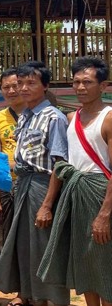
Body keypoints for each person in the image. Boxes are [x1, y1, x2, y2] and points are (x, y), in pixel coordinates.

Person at [0, 61, 70, 306]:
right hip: (22, 185)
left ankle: (51, 299)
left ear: (45, 86)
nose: (23, 88)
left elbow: (58, 164)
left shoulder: (53, 118)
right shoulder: (25, 116)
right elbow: (26, 159)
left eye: (30, 83)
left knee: (44, 247)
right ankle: (31, 297)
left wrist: (47, 204)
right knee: (24, 246)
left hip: (42, 188)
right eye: (20, 83)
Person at [38, 57, 112, 306]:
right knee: (83, 260)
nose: (80, 87)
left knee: (105, 263)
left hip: (101, 196)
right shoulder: (70, 119)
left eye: (88, 82)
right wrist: (47, 204)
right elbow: (62, 167)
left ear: (103, 86)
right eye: (76, 82)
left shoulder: (109, 118)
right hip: (76, 196)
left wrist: (104, 214)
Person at [0, 67, 26, 247]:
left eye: (15, 86)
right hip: (7, 185)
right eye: (6, 87)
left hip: (32, 182)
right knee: (7, 235)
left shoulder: (37, 114)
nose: (11, 91)